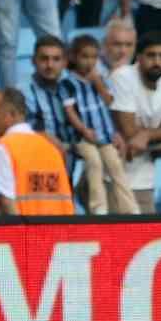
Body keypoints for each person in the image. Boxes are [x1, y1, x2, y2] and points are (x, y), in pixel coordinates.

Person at [63, 31, 138, 215]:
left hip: (104, 134)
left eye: (94, 57)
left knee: (115, 166)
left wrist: (98, 83)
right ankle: (99, 208)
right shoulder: (68, 83)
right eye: (84, 57)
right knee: (94, 163)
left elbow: (108, 102)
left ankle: (130, 208)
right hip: (83, 137)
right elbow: (70, 111)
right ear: (74, 57)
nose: (89, 62)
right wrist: (83, 129)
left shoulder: (101, 79)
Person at [111, 29, 161, 212]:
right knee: (115, 239)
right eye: (151, 55)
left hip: (145, 176)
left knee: (143, 235)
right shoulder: (122, 76)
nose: (157, 62)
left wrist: (146, 133)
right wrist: (158, 133)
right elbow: (127, 130)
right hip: (113, 176)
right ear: (139, 56)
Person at [0, 85, 74, 214]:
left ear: (11, 115)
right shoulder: (51, 148)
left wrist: (22, 233)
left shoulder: (3, 147)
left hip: (20, 232)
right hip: (57, 232)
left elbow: (6, 201)